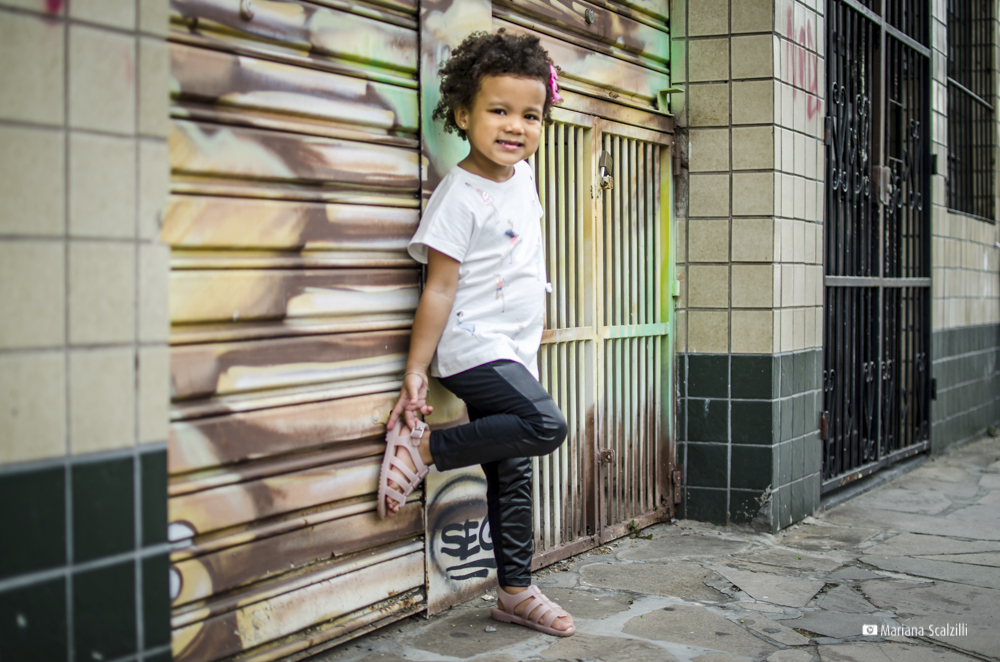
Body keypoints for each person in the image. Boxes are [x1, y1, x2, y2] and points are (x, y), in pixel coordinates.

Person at [377, 30, 575, 637]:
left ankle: (515, 592)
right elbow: (438, 289)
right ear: (463, 114)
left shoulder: (523, 175)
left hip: (514, 350)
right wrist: (416, 371)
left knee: (513, 469)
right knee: (546, 425)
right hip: (471, 345)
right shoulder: (458, 197)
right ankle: (425, 450)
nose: (515, 127)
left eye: (530, 115)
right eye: (498, 111)